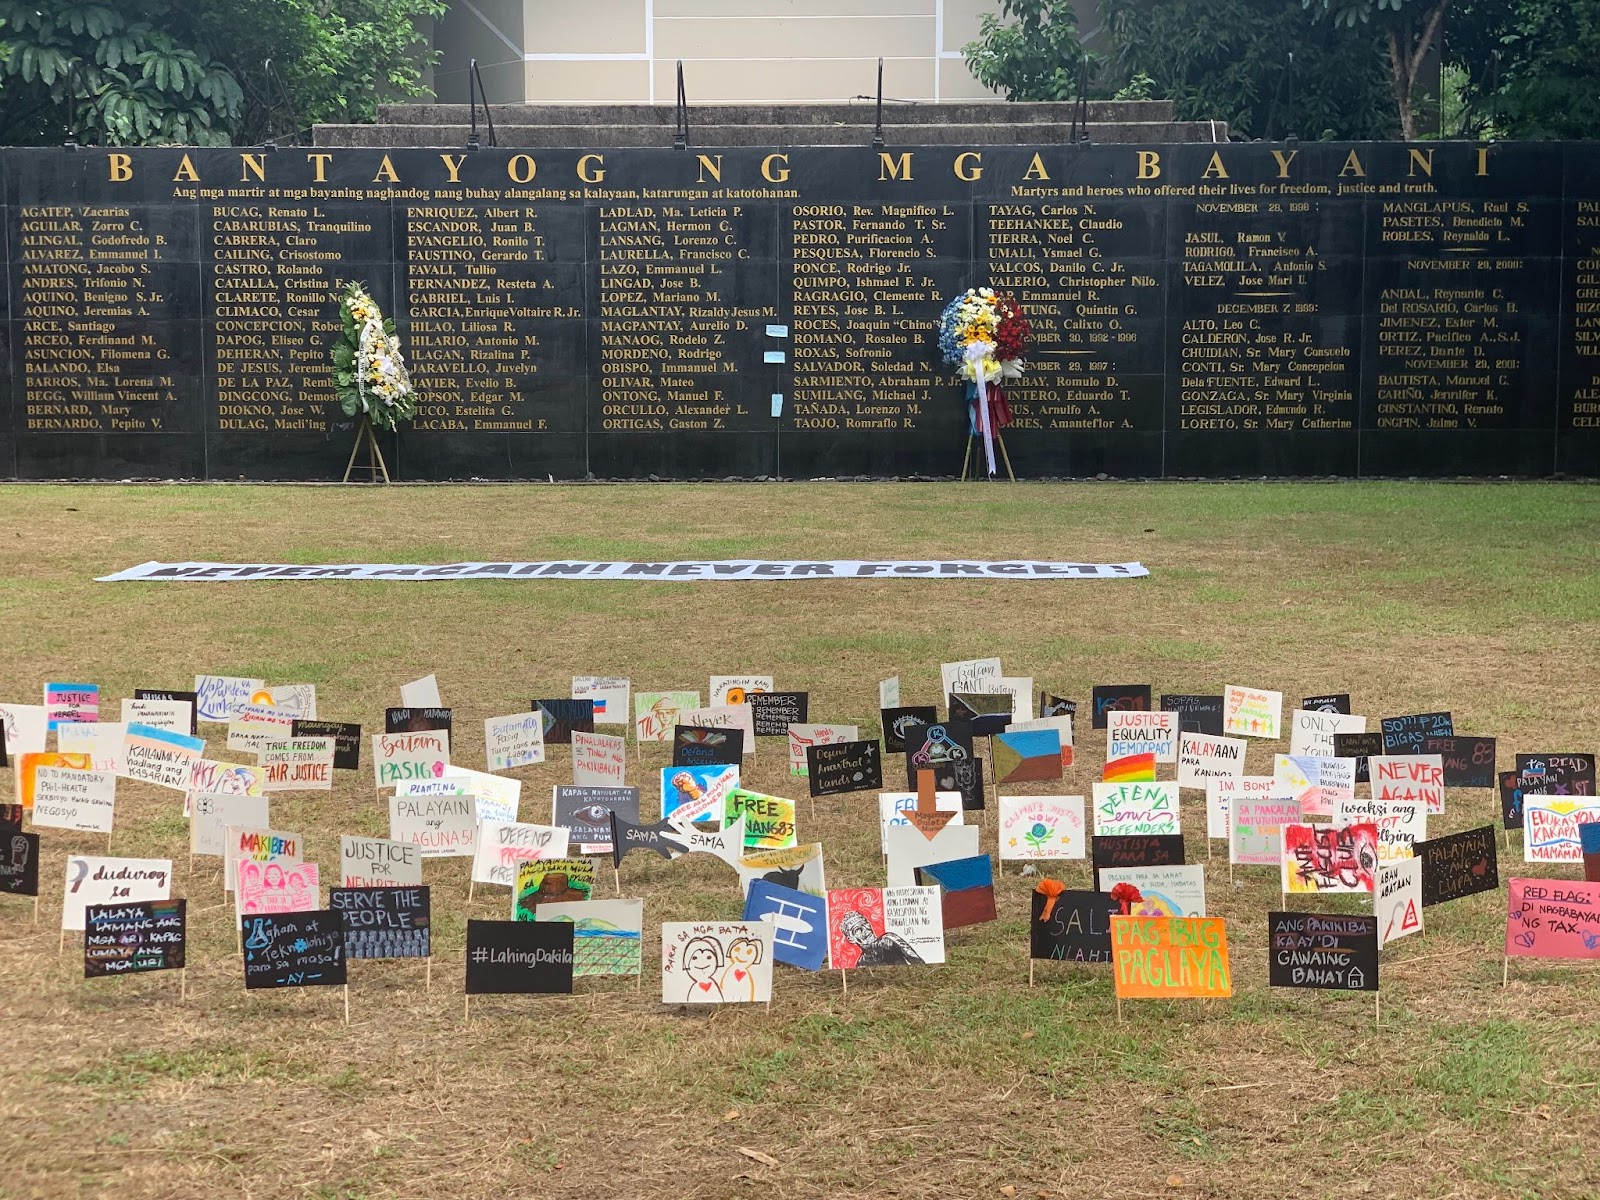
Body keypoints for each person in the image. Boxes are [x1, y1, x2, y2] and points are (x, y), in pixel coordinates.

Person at [839, 910, 924, 967]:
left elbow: (918, 962)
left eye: (865, 923)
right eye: (858, 930)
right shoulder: (862, 963)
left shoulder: (888, 940)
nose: (866, 929)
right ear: (851, 939)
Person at [680, 935, 724, 1001]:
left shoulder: (713, 985)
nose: (702, 962)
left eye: (709, 957)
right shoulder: (695, 988)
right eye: (694, 958)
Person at [719, 936, 763, 1000]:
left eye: (749, 952)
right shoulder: (729, 971)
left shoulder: (746, 976)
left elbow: (748, 993)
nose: (742, 955)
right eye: (737, 949)